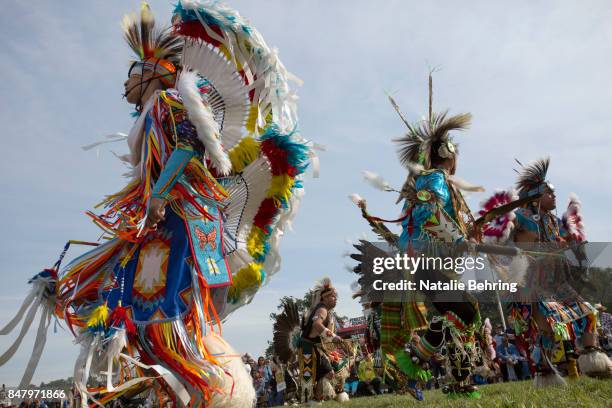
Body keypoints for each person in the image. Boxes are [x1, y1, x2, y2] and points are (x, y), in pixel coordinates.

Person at [0, 2, 311, 407]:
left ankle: (210, 385)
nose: (126, 82)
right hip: (162, 221)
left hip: (176, 220)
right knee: (127, 290)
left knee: (155, 313)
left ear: (155, 72)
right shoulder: (151, 111)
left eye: (132, 73)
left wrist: (160, 194)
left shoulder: (166, 104)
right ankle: (82, 301)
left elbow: (187, 145)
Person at [508, 157, 612, 383]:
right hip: (533, 285)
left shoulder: (552, 221)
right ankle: (545, 375)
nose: (554, 196)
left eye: (553, 192)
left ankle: (594, 362)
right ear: (536, 196)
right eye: (549, 192)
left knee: (589, 312)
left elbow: (561, 241)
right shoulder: (521, 217)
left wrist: (571, 245)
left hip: (557, 284)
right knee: (547, 330)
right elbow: (507, 243)